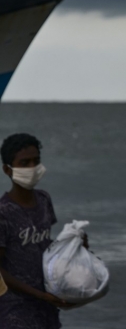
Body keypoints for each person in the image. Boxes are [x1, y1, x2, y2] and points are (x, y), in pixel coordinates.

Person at [0, 133, 71, 329]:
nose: (32, 167)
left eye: (36, 161)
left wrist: (73, 246)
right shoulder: (3, 212)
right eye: (24, 162)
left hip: (46, 306)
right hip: (14, 310)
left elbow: (43, 244)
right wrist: (37, 294)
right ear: (7, 169)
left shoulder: (43, 200)